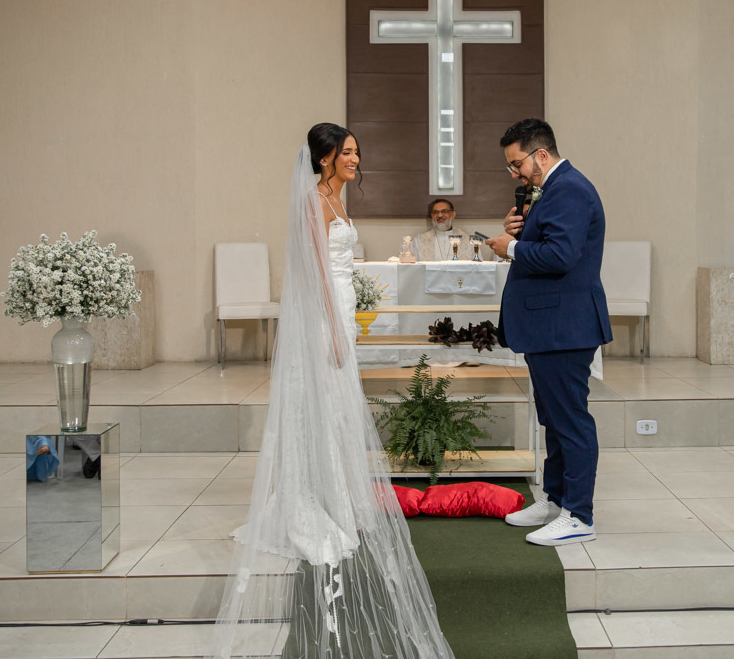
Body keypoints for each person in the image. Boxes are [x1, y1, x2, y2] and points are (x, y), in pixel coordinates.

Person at [212, 123, 453, 659]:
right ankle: (312, 499)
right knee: (322, 402)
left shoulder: (337, 199)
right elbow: (317, 270)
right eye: (347, 152)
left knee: (339, 406)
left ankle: (337, 492)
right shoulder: (312, 201)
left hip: (341, 305)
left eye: (357, 152)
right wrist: (334, 328)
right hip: (325, 314)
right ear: (323, 158)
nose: (355, 159)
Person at [486, 118, 611, 546]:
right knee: (553, 418)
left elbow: (560, 255)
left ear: (541, 154)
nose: (515, 173)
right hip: (550, 325)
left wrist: (511, 247)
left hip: (565, 326)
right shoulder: (552, 190)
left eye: (517, 163)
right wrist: (522, 230)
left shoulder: (570, 188)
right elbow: (550, 240)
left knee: (570, 420)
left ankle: (579, 515)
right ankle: (556, 499)